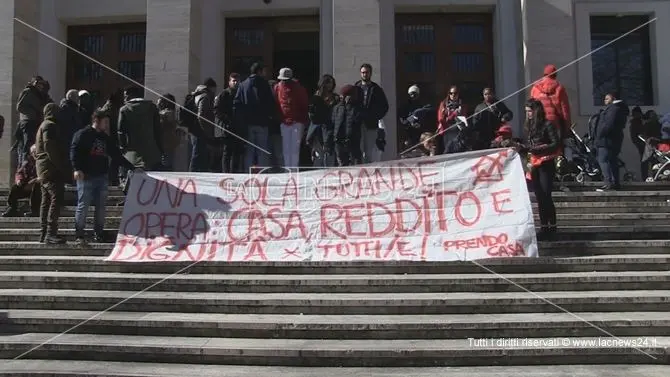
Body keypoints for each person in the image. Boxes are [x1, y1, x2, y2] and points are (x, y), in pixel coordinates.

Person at [71, 109, 136, 245]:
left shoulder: (105, 138)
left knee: (101, 207)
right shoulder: (83, 134)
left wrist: (132, 167)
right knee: (83, 205)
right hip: (86, 175)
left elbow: (116, 155)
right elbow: (74, 151)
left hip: (101, 175)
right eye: (105, 122)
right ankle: (79, 234)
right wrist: (77, 168)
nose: (107, 125)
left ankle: (99, 233)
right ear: (96, 121)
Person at [518, 99, 560, 240]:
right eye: (526, 112)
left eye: (530, 111)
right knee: (539, 196)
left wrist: (537, 148)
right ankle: (544, 227)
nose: (528, 114)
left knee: (546, 195)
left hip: (546, 163)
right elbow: (528, 144)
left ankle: (552, 227)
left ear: (536, 111)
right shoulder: (529, 126)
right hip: (534, 163)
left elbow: (555, 143)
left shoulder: (548, 124)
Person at [35, 103, 69, 244]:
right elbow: (50, 147)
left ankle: (44, 233)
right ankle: (50, 233)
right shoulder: (49, 125)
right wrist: (60, 166)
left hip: (44, 168)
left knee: (46, 201)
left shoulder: (44, 125)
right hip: (50, 168)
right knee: (56, 197)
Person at [233, 62, 276, 172]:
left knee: (249, 151)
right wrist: (270, 116)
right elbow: (271, 103)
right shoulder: (264, 84)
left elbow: (237, 104)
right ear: (259, 71)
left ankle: (249, 174)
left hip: (248, 123)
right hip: (262, 122)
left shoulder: (243, 85)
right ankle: (263, 174)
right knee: (262, 150)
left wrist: (240, 120)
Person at [118, 86, 164, 172]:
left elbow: (121, 132)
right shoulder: (152, 107)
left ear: (131, 95)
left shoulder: (124, 110)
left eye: (125, 96)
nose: (124, 99)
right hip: (152, 154)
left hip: (132, 154)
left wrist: (123, 148)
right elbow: (158, 130)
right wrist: (161, 150)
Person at [274, 67, 310, 170]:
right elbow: (276, 104)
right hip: (285, 121)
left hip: (296, 122)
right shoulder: (277, 88)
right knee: (287, 148)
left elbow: (304, 105)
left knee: (294, 149)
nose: (284, 82)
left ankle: (293, 170)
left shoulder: (298, 89)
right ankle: (288, 170)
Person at [593, 92, 629, 191]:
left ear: (613, 98)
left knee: (603, 160)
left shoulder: (613, 109)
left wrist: (599, 135)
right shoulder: (619, 109)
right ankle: (615, 182)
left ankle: (608, 183)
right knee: (612, 160)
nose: (605, 100)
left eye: (607, 98)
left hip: (606, 139)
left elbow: (608, 124)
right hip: (614, 139)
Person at [530, 64, 572, 145]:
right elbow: (565, 109)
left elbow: (531, 106)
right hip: (554, 121)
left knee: (540, 144)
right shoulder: (559, 88)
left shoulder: (535, 87)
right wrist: (567, 127)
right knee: (555, 145)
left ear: (544, 74)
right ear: (555, 74)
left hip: (538, 120)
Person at [355, 63, 389, 163]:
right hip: (357, 124)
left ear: (370, 73)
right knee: (358, 151)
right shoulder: (356, 88)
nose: (365, 74)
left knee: (369, 151)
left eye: (366, 72)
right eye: (363, 72)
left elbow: (384, 106)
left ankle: (368, 175)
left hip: (371, 124)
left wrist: (375, 116)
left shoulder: (376, 89)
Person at [15, 76, 51, 166]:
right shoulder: (28, 91)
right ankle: (23, 168)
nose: (41, 86)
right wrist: (34, 112)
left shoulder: (41, 95)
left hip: (37, 122)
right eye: (39, 83)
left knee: (34, 147)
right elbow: (20, 107)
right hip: (28, 122)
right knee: (27, 147)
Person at [307, 74, 339, 167]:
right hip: (318, 129)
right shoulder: (316, 97)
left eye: (331, 83)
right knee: (318, 156)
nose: (329, 85)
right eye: (327, 82)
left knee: (329, 154)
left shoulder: (335, 98)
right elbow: (312, 114)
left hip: (330, 129)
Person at [213, 73, 241, 173]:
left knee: (236, 152)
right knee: (227, 152)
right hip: (227, 128)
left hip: (238, 128)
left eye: (237, 81)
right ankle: (225, 173)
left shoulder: (240, 94)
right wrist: (226, 120)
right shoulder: (224, 94)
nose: (236, 83)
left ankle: (234, 172)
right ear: (229, 82)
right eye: (233, 81)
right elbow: (216, 110)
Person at [2, 144, 40, 218]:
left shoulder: (43, 162)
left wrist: (33, 182)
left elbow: (43, 175)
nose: (35, 154)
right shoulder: (27, 162)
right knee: (15, 188)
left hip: (38, 187)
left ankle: (35, 211)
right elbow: (20, 172)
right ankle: (12, 209)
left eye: (36, 152)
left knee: (36, 187)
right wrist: (19, 180)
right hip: (26, 186)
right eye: (33, 152)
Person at [190, 78, 217, 172]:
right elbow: (201, 115)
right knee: (197, 154)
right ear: (211, 87)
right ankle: (192, 176)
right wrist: (205, 130)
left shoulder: (198, 94)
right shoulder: (205, 96)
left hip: (194, 129)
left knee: (199, 154)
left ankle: (197, 173)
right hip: (199, 130)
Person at [332, 85, 363, 166]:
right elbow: (333, 122)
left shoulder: (357, 107)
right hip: (339, 141)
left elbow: (357, 119)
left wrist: (349, 106)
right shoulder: (337, 108)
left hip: (353, 140)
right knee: (342, 164)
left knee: (356, 163)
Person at [437, 85, 469, 154]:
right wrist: (453, 114)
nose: (453, 95)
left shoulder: (462, 105)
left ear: (458, 94)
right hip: (447, 131)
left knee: (458, 150)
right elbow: (441, 119)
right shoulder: (443, 104)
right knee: (447, 151)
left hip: (458, 131)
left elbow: (464, 117)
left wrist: (452, 116)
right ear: (448, 94)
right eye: (451, 93)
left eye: (455, 93)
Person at [157, 94, 182, 171]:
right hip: (165, 142)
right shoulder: (168, 113)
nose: (158, 104)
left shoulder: (168, 113)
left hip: (166, 142)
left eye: (160, 102)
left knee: (166, 163)